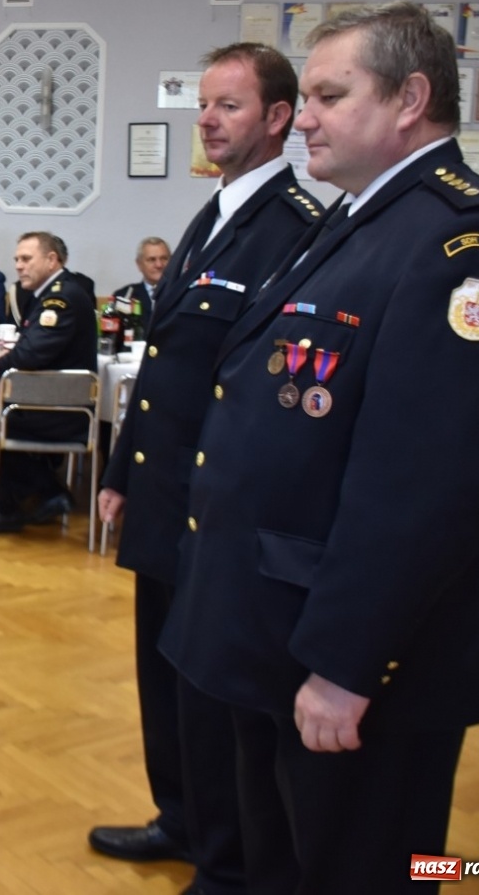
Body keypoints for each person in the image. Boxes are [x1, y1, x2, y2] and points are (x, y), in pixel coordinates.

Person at [161, 4, 479, 894]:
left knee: (364, 865)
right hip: (277, 620)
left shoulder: (457, 240)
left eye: (331, 93)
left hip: (352, 656)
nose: (308, 114)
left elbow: (428, 485)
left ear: (410, 99)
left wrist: (347, 663)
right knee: (282, 859)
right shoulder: (358, 219)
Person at [89, 43, 321, 894]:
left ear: (277, 119)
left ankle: (226, 859)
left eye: (229, 106)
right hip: (162, 491)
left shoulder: (295, 228)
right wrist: (120, 466)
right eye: (205, 106)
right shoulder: (216, 211)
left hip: (214, 506)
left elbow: (259, 390)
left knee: (214, 690)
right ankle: (180, 817)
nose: (209, 120)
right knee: (162, 671)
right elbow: (167, 361)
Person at [0, 232, 97, 535]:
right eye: (16, 259)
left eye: (26, 259)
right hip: (45, 404)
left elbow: (35, 350)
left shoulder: (60, 296)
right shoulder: (57, 291)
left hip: (57, 411)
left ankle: (2, 509)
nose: (18, 266)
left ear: (52, 260)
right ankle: (48, 492)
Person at [109, 236, 170, 318]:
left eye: (164, 259)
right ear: (139, 264)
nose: (159, 265)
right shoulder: (124, 296)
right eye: (152, 259)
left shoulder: (182, 294)